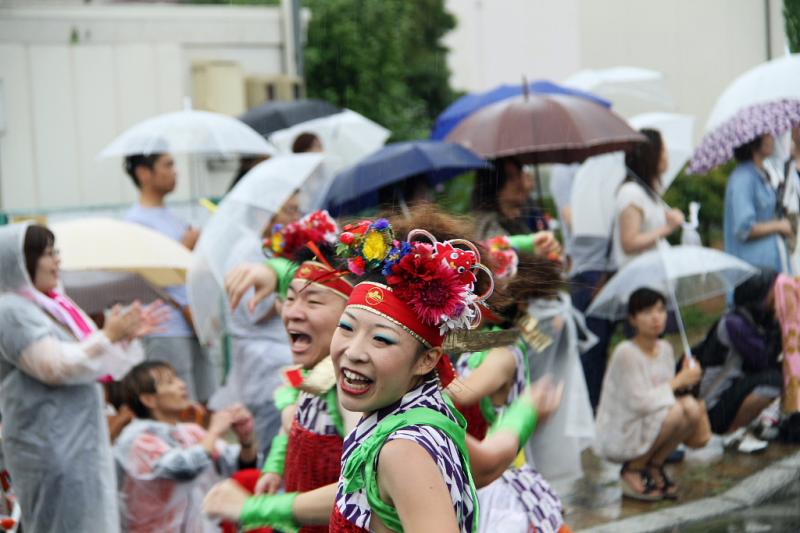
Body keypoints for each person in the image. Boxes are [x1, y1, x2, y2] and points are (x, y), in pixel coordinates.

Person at [203, 215, 557, 532]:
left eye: (313, 301)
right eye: (289, 297)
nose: (355, 350)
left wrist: (255, 508)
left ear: (426, 359)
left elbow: (477, 447)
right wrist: (275, 466)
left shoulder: (401, 443)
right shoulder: (343, 385)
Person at [0, 223, 163, 532]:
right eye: (48, 253)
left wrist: (122, 339)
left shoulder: (52, 307)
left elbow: (96, 366)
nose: (57, 261)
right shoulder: (10, 309)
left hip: (78, 444)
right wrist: (107, 337)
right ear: (20, 261)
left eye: (56, 252)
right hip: (50, 448)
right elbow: (54, 366)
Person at [115, 361, 258, 532]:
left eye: (177, 379)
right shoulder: (137, 440)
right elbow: (184, 469)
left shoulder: (190, 432)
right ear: (148, 399)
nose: (182, 385)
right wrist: (214, 431)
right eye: (170, 382)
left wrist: (245, 440)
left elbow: (237, 465)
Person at [594, 288, 709, 501]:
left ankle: (655, 465)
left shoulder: (665, 348)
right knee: (675, 411)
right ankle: (633, 469)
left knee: (691, 408)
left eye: (661, 310)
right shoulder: (625, 352)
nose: (656, 317)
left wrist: (688, 378)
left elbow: (666, 393)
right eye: (647, 312)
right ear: (633, 319)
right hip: (626, 426)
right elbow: (639, 403)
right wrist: (678, 381)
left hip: (652, 419)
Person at [124, 152, 216, 402]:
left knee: (206, 399)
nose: (175, 171)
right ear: (144, 173)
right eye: (168, 165)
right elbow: (151, 275)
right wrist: (185, 247)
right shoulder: (136, 222)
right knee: (178, 402)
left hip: (193, 321)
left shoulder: (173, 217)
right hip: (167, 325)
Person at [697, 270, 782, 453]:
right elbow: (763, 360)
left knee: (779, 374)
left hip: (732, 392)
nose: (781, 293)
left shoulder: (757, 318)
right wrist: (783, 324)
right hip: (711, 406)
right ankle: (732, 433)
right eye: (776, 289)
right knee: (774, 380)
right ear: (760, 292)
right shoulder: (735, 324)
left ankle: (757, 423)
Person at [613, 129, 685, 270]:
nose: (666, 156)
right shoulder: (631, 193)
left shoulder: (647, 193)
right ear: (650, 155)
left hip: (653, 276)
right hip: (640, 281)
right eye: (662, 150)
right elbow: (629, 243)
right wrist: (668, 228)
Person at [724, 134, 794, 273]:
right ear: (753, 140)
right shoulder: (743, 178)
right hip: (755, 276)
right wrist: (779, 225)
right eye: (767, 134)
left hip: (773, 269)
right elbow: (744, 227)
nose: (772, 138)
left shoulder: (762, 174)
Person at [473, 157, 548, 239]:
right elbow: (498, 246)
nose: (520, 183)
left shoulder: (519, 217)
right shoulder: (486, 223)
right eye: (510, 177)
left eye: (519, 175)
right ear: (493, 183)